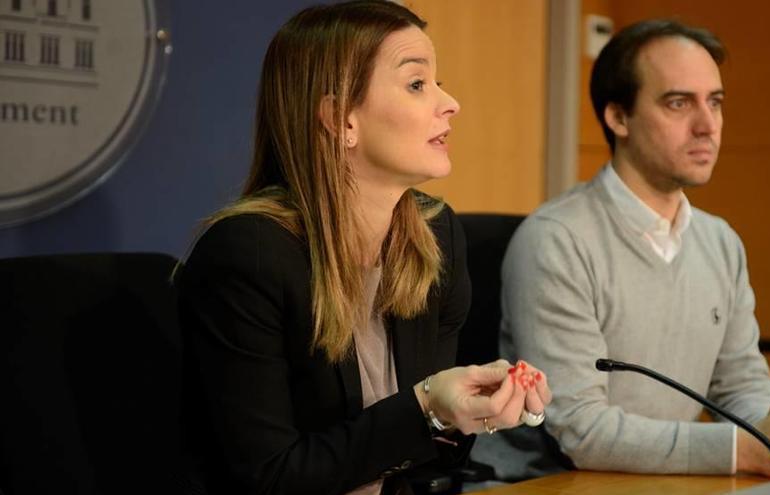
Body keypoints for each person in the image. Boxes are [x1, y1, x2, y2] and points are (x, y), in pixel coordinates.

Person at [175, 2, 551, 494]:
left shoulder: (436, 236)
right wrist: (427, 406)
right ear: (339, 119)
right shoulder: (249, 255)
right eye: (418, 84)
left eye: (438, 82)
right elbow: (269, 477)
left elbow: (429, 461)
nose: (449, 102)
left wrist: (473, 410)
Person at [472, 18, 770, 479]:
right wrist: (750, 449)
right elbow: (581, 431)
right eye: (679, 103)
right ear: (618, 117)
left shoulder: (719, 241)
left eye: (714, 102)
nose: (707, 125)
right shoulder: (556, 239)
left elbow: (740, 386)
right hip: (548, 485)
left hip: (659, 481)